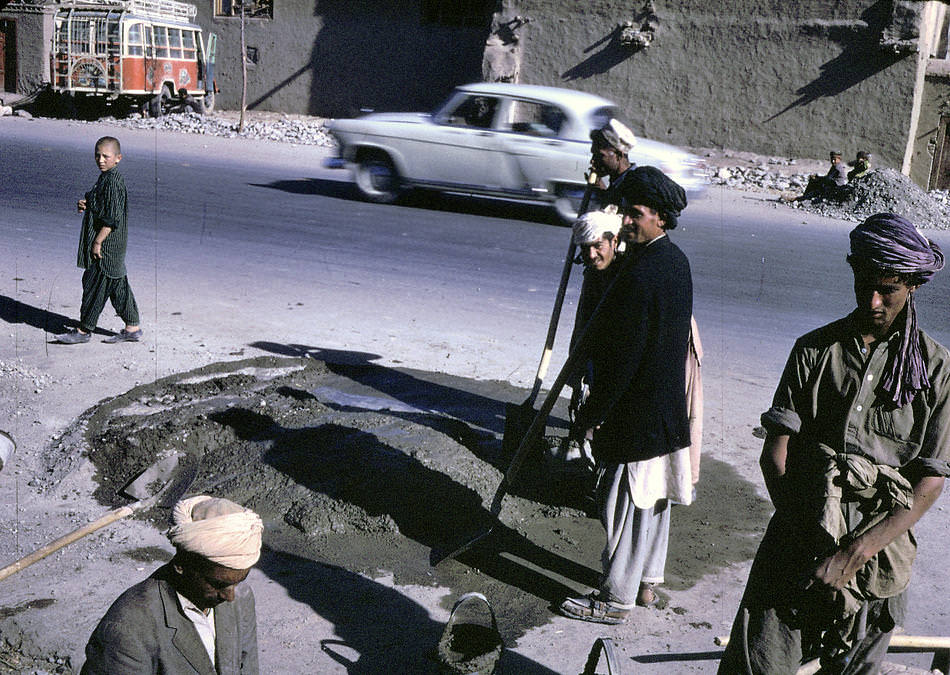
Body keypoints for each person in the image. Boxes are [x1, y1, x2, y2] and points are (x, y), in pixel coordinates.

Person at [718, 213, 948, 674]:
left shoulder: (938, 370)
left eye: (889, 289)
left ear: (913, 286)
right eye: (864, 284)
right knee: (759, 665)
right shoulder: (814, 351)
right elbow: (776, 455)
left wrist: (851, 554)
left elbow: (929, 483)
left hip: (877, 559)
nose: (873, 300)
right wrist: (809, 542)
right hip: (797, 540)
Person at [558, 166, 694, 624]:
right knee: (653, 503)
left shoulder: (644, 271)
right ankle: (646, 584)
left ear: (660, 217)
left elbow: (626, 358)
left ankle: (616, 598)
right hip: (663, 410)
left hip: (638, 412)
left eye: (636, 215)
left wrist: (592, 415)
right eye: (626, 214)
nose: (628, 223)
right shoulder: (672, 261)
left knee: (625, 505)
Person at [81, 495, 264, 674]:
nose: (229, 596)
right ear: (181, 566)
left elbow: (247, 666)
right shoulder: (128, 628)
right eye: (218, 584)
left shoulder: (241, 597)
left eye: (238, 581)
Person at [56, 136, 142, 344]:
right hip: (113, 244)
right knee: (117, 284)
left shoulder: (112, 180)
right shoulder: (107, 177)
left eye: (106, 156)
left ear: (118, 158)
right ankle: (132, 328)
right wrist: (88, 204)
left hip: (108, 244)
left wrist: (97, 242)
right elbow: (106, 205)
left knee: (95, 282)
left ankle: (84, 330)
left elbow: (112, 219)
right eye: (97, 155)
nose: (101, 160)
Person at [589, 119, 637, 206]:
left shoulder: (633, 187)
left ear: (618, 155)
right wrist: (601, 190)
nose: (592, 161)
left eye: (600, 156)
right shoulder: (617, 182)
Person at [783, 150, 849, 203]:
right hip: (833, 184)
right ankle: (803, 198)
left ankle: (801, 198)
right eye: (832, 159)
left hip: (835, 186)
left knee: (815, 184)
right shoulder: (836, 166)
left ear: (839, 159)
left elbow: (828, 179)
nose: (832, 161)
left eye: (834, 159)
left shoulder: (837, 167)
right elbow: (828, 178)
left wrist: (817, 179)